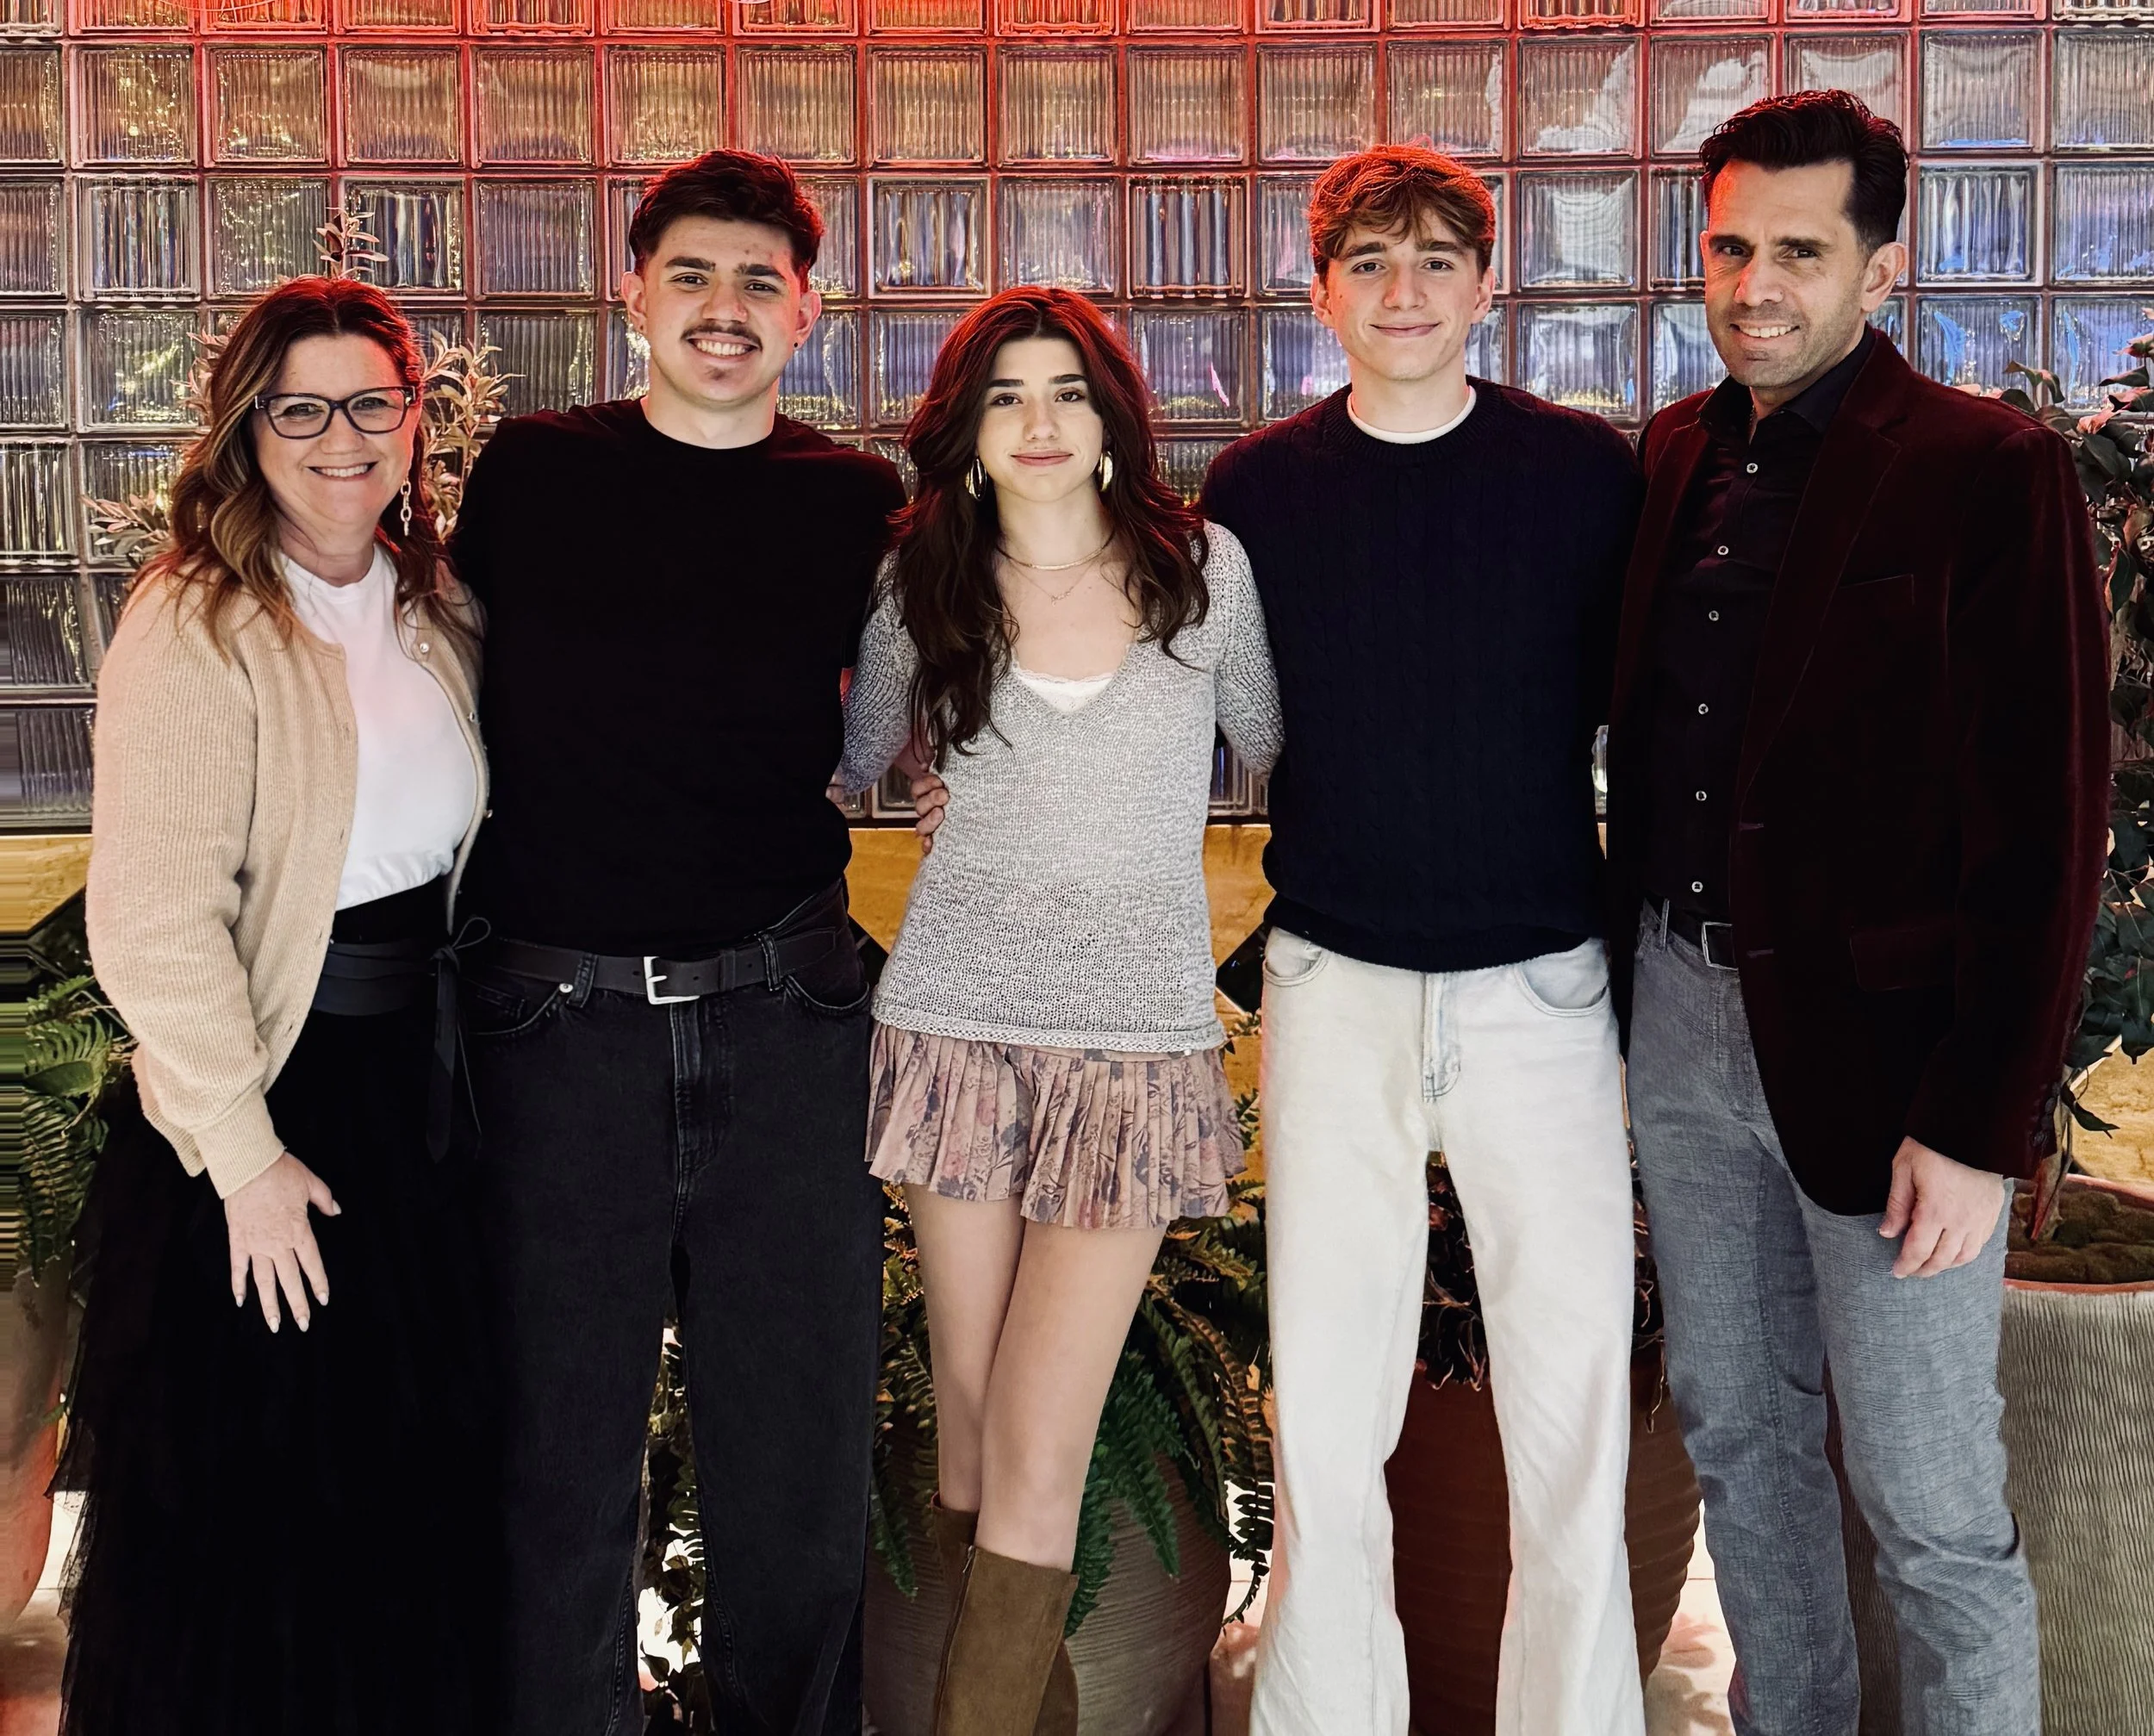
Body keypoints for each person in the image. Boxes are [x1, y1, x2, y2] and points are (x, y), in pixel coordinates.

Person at [1607, 90, 2107, 1736]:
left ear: (1880, 269)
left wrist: (1980, 1122)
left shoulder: (1988, 468)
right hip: (1681, 1018)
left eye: (1801, 253)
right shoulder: (1677, 449)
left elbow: (2048, 820)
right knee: (1742, 1448)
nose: (1757, 283)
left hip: (1897, 1069)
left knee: (1930, 1502)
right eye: (1731, 245)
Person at [449, 149, 906, 1736]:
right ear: (630, 293)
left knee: (794, 1457)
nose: (726, 310)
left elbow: (918, 715)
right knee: (552, 1456)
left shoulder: (856, 501)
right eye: (693, 277)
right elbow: (434, 682)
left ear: (809, 313)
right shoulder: (532, 471)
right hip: (552, 1026)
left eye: (760, 282)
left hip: (786, 1013)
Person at [1200, 145, 1647, 1736]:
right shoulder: (1254, 492)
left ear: (1486, 281)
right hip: (1335, 978)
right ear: (1321, 290)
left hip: (1540, 982)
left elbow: (1641, 723)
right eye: (1369, 262)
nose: (1404, 292)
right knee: (1324, 1405)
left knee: (1576, 1397)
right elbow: (1224, 718)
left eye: (1436, 259)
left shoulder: (1588, 476)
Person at [837, 284, 1279, 1735]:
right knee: (971, 1423)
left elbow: (1271, 747)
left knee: (1039, 1434)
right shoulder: (924, 587)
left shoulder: (1203, 572)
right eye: (1008, 396)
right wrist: (910, 782)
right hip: (955, 1027)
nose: (1039, 421)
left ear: (1109, 423)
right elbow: (861, 760)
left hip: (1130, 1050)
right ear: (967, 436)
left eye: (1068, 392)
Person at [64, 277, 489, 1735]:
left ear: (414, 419)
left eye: (372, 402)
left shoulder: (436, 606)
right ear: (246, 431)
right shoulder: (197, 621)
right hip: (265, 1108)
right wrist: (242, 1158)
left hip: (425, 1101)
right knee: (258, 1534)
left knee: (406, 1510)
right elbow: (153, 916)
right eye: (298, 408)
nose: (339, 437)